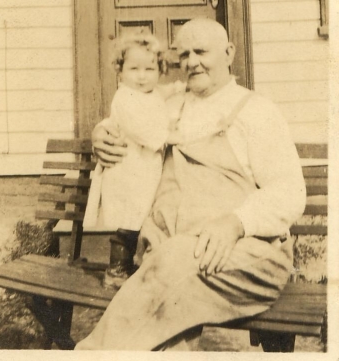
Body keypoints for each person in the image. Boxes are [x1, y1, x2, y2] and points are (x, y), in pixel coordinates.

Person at [75, 18, 306, 351]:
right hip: (174, 253)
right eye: (183, 55)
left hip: (246, 253)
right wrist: (103, 132)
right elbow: (129, 114)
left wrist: (236, 222)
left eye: (201, 51)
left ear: (229, 53)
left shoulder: (256, 111)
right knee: (165, 323)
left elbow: (290, 191)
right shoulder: (170, 107)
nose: (192, 62)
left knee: (169, 271)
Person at [83, 30, 184, 288]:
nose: (141, 76)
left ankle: (140, 268)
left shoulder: (151, 94)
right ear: (120, 71)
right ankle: (117, 270)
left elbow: (164, 92)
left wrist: (177, 87)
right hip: (128, 169)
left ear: (160, 70)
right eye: (133, 69)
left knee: (143, 216)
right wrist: (169, 135)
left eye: (149, 69)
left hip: (146, 168)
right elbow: (141, 128)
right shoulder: (124, 98)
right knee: (129, 220)